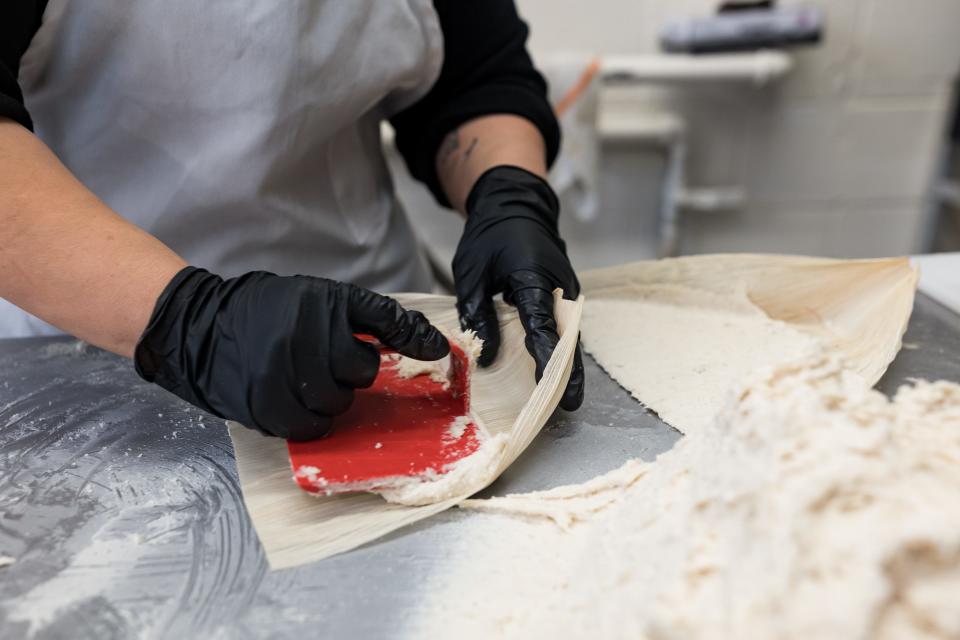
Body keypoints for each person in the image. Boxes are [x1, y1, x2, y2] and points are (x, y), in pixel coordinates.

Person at [0, 1, 584, 441]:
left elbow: (476, 79)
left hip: (379, 343)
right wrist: (191, 323)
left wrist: (508, 193)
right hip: (93, 344)